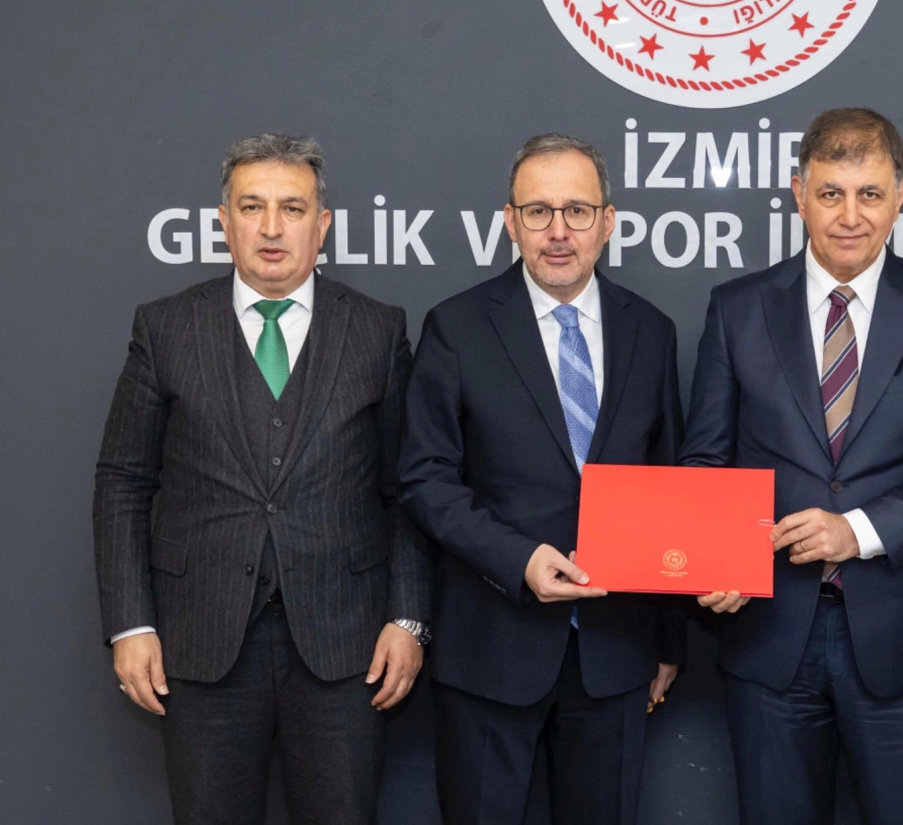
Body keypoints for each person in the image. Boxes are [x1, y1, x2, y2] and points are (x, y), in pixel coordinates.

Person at [92, 133, 433, 825]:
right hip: (200, 642)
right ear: (224, 221)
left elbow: (405, 488)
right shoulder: (166, 328)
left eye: (292, 208)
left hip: (346, 648)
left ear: (322, 225)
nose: (272, 227)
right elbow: (123, 479)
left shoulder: (377, 331)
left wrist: (408, 618)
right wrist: (130, 623)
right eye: (252, 207)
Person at [680, 108, 903, 825]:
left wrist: (854, 530)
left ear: (900, 195)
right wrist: (715, 555)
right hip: (768, 638)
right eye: (830, 193)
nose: (850, 216)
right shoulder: (737, 309)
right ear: (799, 195)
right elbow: (706, 461)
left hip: (900, 641)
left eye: (870, 194)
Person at [397, 134, 685, 825]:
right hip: (491, 647)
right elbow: (425, 478)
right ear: (510, 221)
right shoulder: (457, 327)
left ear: (608, 222)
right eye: (538, 212)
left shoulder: (651, 332)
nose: (559, 231)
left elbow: (671, 486)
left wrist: (670, 640)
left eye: (578, 211)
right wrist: (518, 559)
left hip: (616, 655)